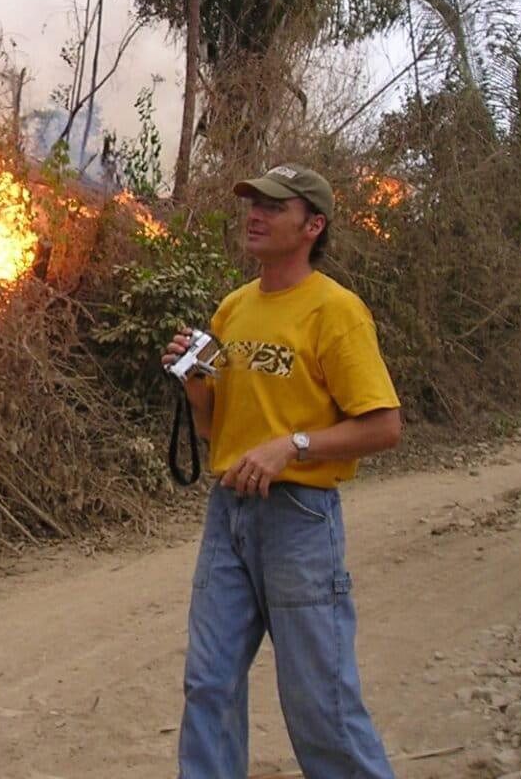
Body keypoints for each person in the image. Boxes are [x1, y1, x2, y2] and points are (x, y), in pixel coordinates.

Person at [161, 163, 403, 779]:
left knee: (319, 704)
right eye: (253, 203)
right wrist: (195, 384)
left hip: (299, 520)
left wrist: (290, 446)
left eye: (274, 206)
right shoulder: (234, 309)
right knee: (208, 685)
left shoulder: (336, 312)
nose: (256, 214)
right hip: (229, 517)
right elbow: (217, 430)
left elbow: (383, 426)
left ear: (312, 225)